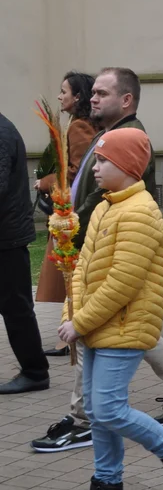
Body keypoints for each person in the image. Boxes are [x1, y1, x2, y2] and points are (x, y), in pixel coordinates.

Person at [33, 68, 163, 453]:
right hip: (93, 241)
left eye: (101, 93)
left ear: (125, 100)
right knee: (124, 327)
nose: (91, 99)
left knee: (108, 335)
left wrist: (73, 227)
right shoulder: (107, 136)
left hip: (104, 245)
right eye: (91, 93)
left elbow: (104, 200)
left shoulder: (130, 142)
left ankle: (95, 422)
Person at [53, 128, 163, 490]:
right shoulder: (108, 206)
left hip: (124, 327)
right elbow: (85, 268)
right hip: (99, 326)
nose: (97, 167)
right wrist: (71, 316)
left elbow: (122, 282)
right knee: (97, 410)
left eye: (103, 161)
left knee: (107, 409)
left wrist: (81, 321)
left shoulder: (140, 212)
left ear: (126, 165)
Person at [36, 72, 100, 357]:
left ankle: (70, 335)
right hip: (74, 211)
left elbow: (77, 170)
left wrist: (47, 181)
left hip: (74, 213)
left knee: (71, 272)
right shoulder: (79, 124)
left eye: (64, 91)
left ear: (77, 97)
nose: (60, 96)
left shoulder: (79, 127)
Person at [0, 111, 50, 394]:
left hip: (6, 238)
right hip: (7, 234)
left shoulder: (1, 132)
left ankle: (34, 371)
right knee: (15, 306)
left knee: (16, 308)